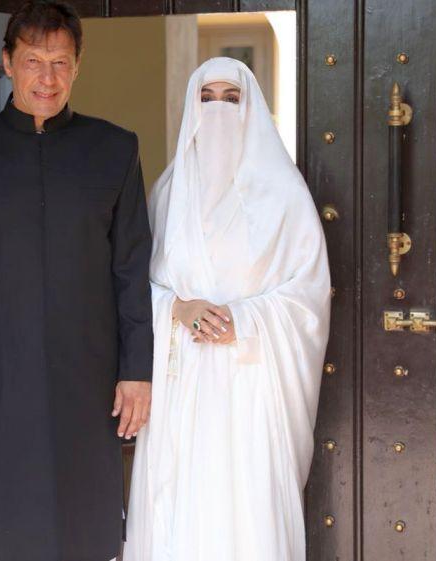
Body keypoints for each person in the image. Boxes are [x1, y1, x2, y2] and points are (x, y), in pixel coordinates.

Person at [0, 2, 153, 560]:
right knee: (3, 523)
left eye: (61, 62)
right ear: (7, 63)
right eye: (34, 61)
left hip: (90, 371)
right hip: (0, 368)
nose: (47, 78)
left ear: (78, 66)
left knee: (86, 524)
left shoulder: (114, 150)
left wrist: (137, 371)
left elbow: (132, 269)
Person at [123, 57, 331, 561]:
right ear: (192, 108)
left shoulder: (285, 195)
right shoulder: (168, 194)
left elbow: (309, 294)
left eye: (231, 99)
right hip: (181, 389)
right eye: (207, 98)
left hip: (252, 389)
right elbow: (135, 286)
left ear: (251, 107)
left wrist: (244, 319)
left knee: (246, 512)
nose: (218, 110)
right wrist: (178, 306)